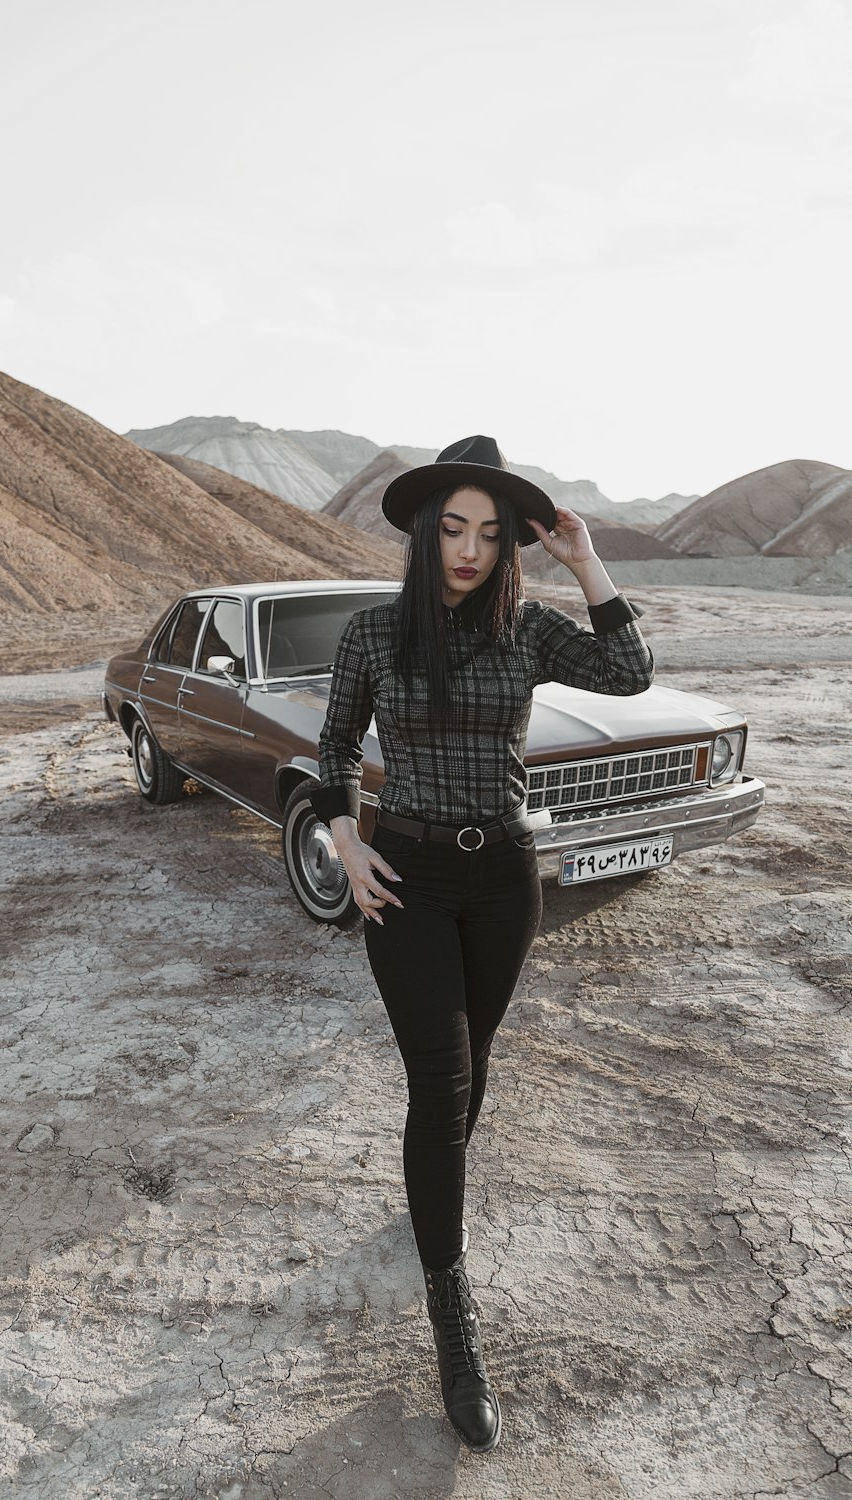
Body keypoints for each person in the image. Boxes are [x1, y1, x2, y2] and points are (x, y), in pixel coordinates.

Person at [310, 435, 654, 1453]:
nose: (468, 548)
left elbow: (631, 673)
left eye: (489, 533)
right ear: (425, 534)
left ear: (509, 545)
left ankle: (433, 1188)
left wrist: (585, 558)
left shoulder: (531, 631)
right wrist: (344, 838)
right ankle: (453, 1317)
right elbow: (331, 746)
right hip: (406, 877)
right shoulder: (373, 634)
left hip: (504, 877)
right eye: (452, 528)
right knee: (439, 1082)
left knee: (478, 1061)